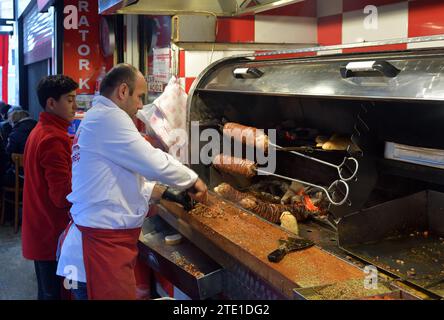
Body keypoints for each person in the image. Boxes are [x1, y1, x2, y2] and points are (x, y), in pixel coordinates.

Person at [56, 63, 207, 300]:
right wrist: (191, 180)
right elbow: (151, 160)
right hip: (98, 251)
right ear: (123, 91)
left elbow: (114, 180)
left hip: (97, 245)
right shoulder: (108, 118)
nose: (140, 105)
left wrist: (166, 193)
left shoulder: (98, 118)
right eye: (139, 96)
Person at [22, 75, 79, 300]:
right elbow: (62, 196)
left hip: (40, 230)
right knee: (59, 294)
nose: (75, 105)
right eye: (70, 99)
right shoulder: (53, 139)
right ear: (51, 103)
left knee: (47, 293)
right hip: (52, 234)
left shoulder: (41, 130)